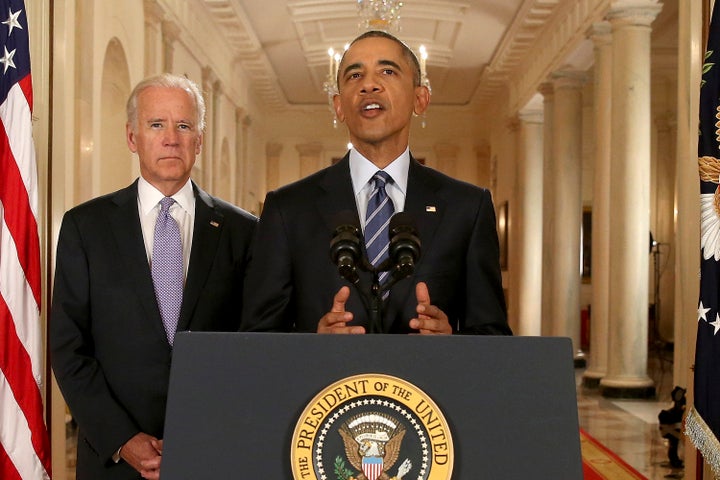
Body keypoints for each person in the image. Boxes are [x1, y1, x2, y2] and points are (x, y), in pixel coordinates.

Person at [50, 73, 257, 480]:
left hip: (215, 454)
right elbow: (68, 347)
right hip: (113, 460)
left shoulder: (244, 231)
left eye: (184, 126)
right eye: (156, 124)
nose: (171, 138)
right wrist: (122, 439)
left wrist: (214, 433)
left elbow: (256, 341)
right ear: (132, 137)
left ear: (199, 141)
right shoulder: (85, 227)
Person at [240, 31, 510, 336]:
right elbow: (256, 338)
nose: (369, 84)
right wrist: (311, 348)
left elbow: (493, 336)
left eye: (387, 71)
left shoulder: (467, 208)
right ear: (339, 107)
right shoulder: (287, 209)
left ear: (420, 99)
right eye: (355, 75)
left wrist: (452, 345)